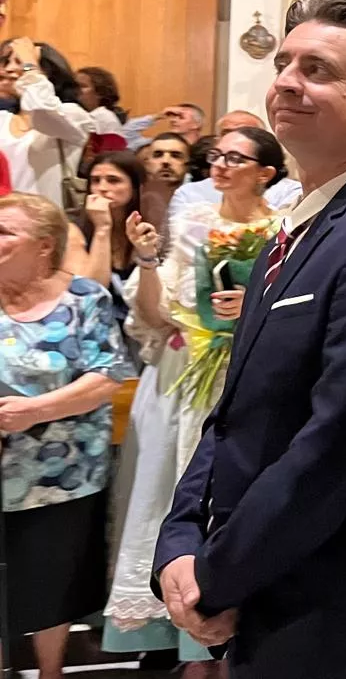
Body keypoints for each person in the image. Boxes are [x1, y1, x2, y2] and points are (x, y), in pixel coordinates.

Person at [152, 0, 346, 678]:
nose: (286, 80)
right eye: (285, 63)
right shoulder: (288, 237)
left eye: (318, 70)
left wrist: (219, 573)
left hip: (323, 599)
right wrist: (177, 543)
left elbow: (341, 446)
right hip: (258, 579)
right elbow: (231, 416)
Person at [107, 127, 286, 673]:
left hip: (249, 371)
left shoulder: (286, 229)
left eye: (237, 157)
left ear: (266, 174)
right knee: (173, 495)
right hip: (188, 371)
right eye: (216, 155)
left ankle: (229, 622)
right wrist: (147, 261)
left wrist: (253, 307)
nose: (221, 164)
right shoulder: (190, 224)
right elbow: (159, 317)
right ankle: (185, 638)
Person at [0, 192, 137, 679]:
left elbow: (106, 376)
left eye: (5, 231)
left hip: (61, 475)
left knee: (49, 583)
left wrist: (35, 409)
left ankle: (51, 673)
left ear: (43, 245)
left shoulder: (84, 298)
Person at [0, 37, 94, 207]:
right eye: (6, 62)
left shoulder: (73, 115)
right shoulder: (2, 119)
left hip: (45, 223)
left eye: (18, 61)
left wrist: (30, 66)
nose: (8, 69)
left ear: (49, 72)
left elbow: (42, 112)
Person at [168, 111, 303, 212]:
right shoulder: (189, 193)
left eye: (245, 134)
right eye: (226, 134)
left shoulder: (291, 192)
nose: (234, 140)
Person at [66, 150, 143, 318]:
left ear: (135, 187)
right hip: (94, 322)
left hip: (140, 325)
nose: (102, 188)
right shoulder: (72, 228)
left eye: (113, 180)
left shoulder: (148, 224)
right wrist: (102, 228)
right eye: (95, 181)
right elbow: (92, 290)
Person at [140, 132, 191, 238]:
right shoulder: (134, 198)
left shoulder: (201, 200)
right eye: (158, 155)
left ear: (188, 164)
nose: (166, 161)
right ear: (147, 164)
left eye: (175, 155)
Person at [76, 66, 127, 132]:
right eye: (74, 86)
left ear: (100, 92)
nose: (76, 90)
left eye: (82, 86)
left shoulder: (104, 118)